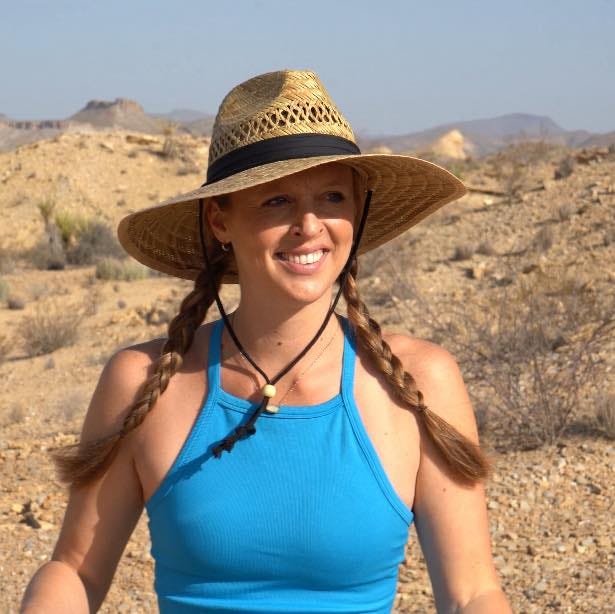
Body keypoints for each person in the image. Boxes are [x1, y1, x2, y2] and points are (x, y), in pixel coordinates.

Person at [21, 70, 511, 613]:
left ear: (356, 213)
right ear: (219, 220)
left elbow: (472, 592)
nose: (310, 224)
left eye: (332, 197)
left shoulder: (421, 382)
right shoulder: (142, 382)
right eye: (277, 200)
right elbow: (77, 570)